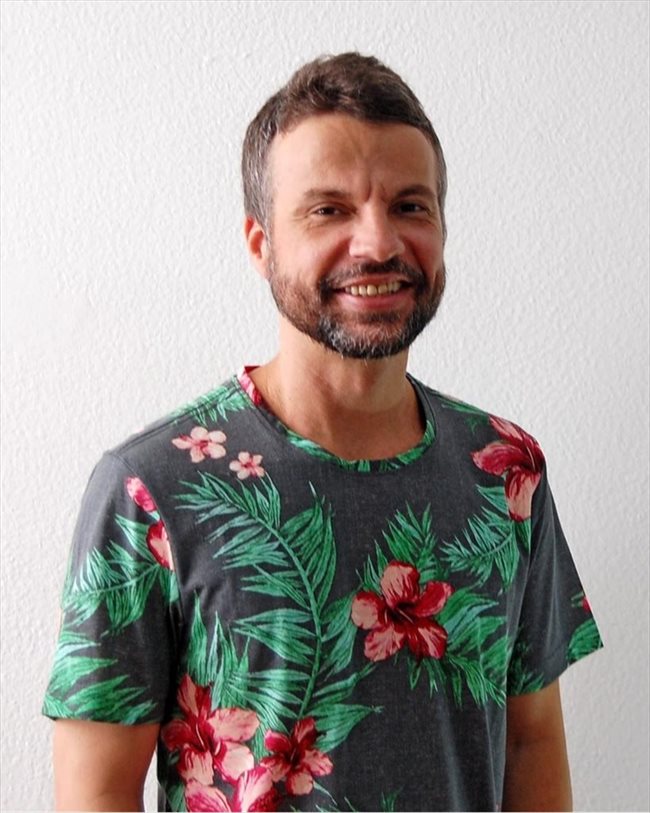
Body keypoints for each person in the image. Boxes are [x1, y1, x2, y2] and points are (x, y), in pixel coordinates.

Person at [44, 52, 602, 812]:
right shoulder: (151, 487)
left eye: (410, 206)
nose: (378, 244)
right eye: (329, 210)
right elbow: (97, 792)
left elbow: (532, 740)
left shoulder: (505, 471)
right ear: (260, 243)